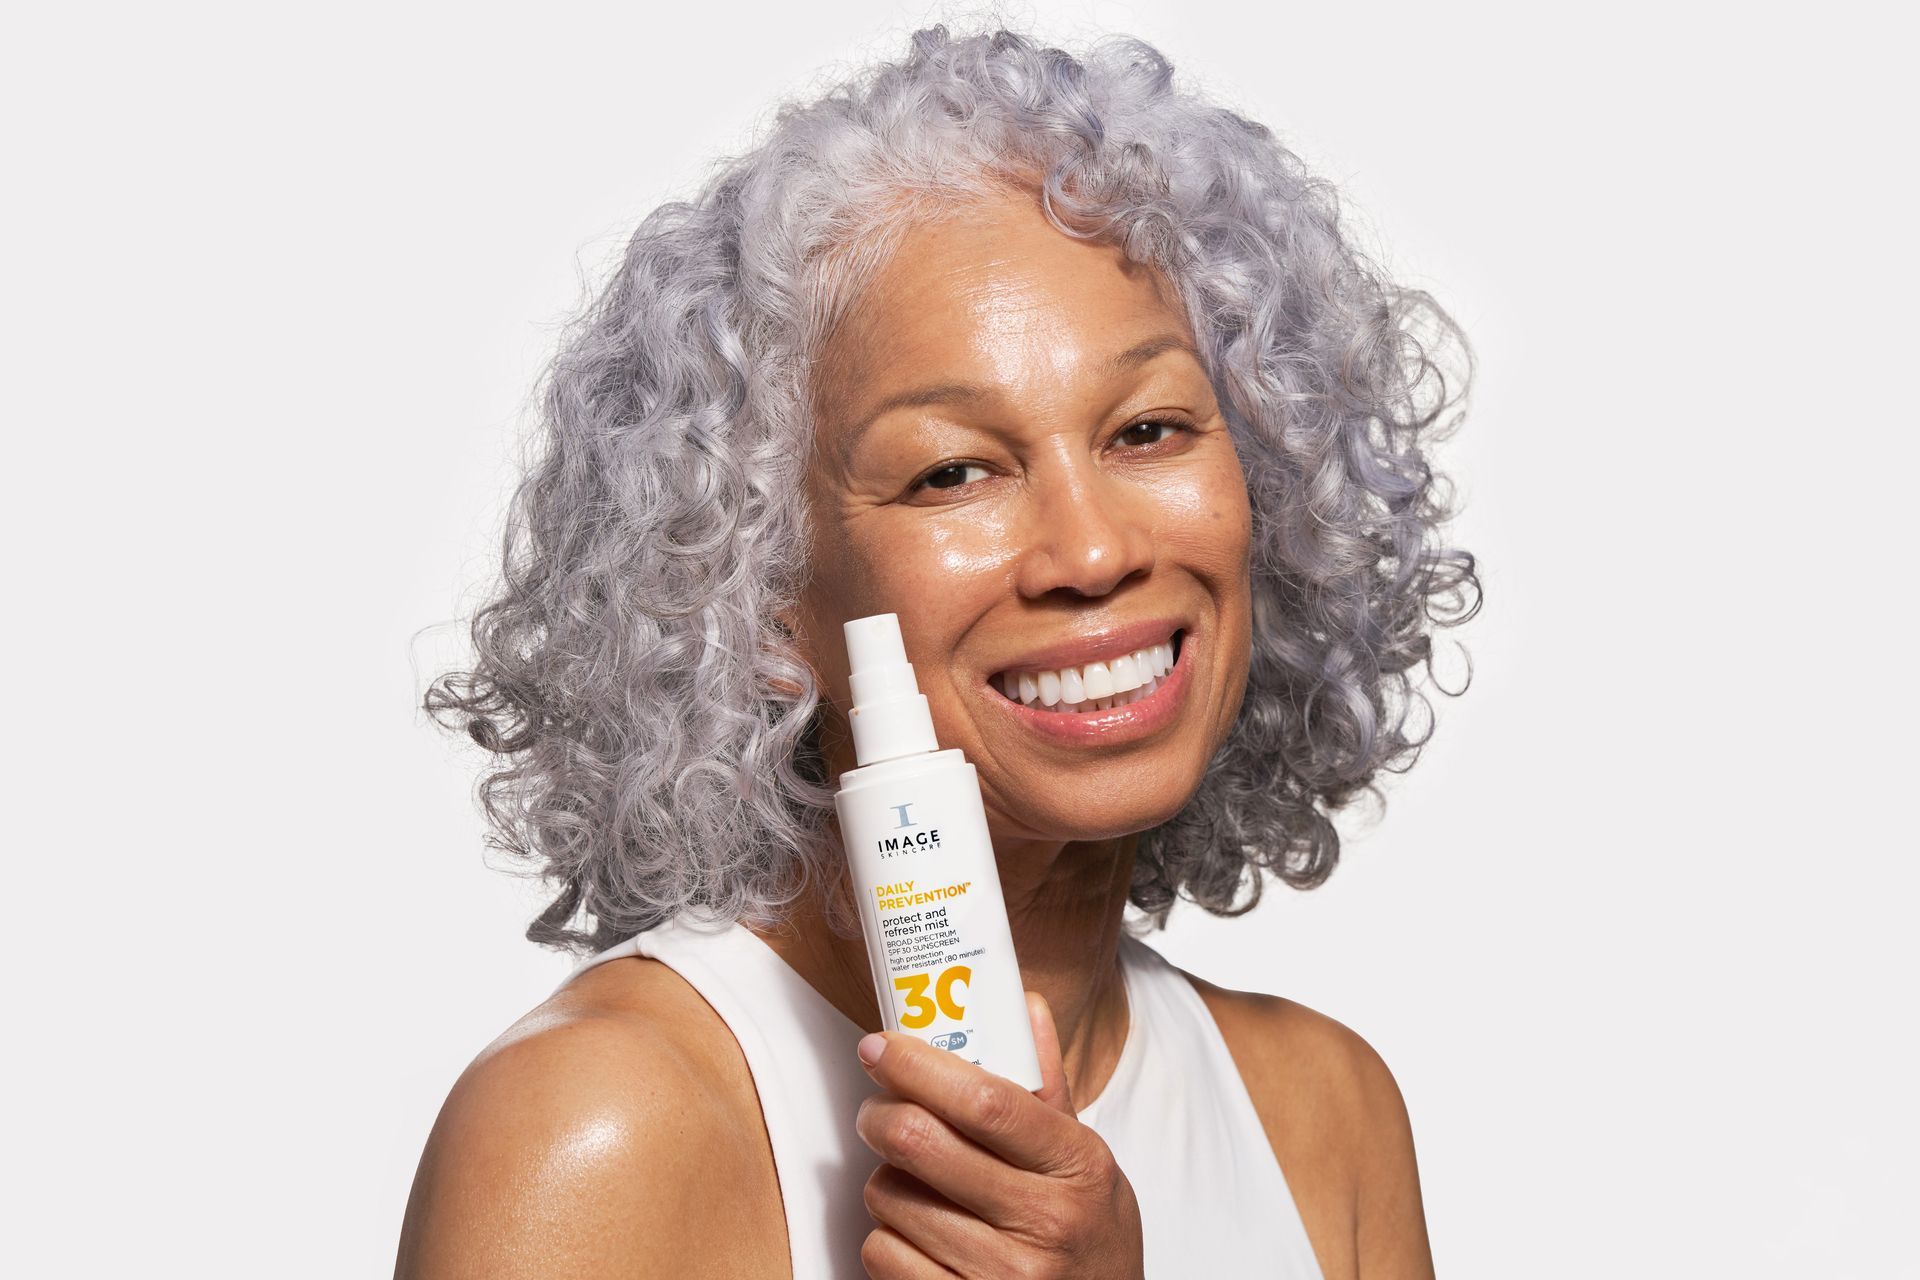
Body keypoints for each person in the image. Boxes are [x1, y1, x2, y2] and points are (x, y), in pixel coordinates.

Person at [395, 22, 1477, 1280]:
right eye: (953, 470)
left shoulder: (1322, 1115)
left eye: (1148, 428)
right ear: (760, 597)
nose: (1090, 549)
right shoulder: (600, 1134)